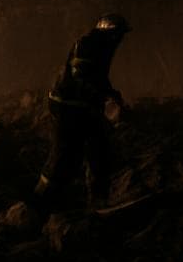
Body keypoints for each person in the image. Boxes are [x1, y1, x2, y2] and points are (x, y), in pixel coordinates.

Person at [32, 13, 130, 214]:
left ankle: (98, 200)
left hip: (82, 107)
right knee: (63, 156)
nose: (120, 39)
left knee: (99, 149)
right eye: (119, 34)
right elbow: (81, 78)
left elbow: (97, 77)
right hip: (67, 106)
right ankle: (39, 203)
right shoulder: (88, 44)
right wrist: (103, 97)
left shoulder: (103, 46)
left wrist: (111, 93)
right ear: (110, 32)